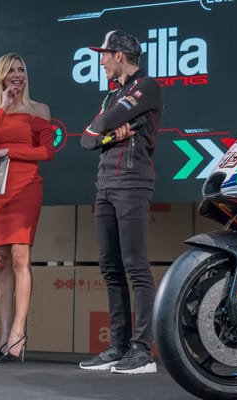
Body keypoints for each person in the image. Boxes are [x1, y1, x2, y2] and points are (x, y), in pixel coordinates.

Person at [79, 30, 163, 374]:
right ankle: (118, 347)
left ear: (119, 55)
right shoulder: (112, 95)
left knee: (135, 267)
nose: (100, 61)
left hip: (132, 183)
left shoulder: (147, 86)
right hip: (104, 186)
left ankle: (142, 351)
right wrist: (112, 134)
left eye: (104, 54)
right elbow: (87, 139)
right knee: (110, 268)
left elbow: (102, 124)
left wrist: (106, 130)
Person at [0, 53, 54, 363]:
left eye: (21, 69)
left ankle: (18, 334)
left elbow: (46, 152)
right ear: (1, 76)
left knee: (21, 255)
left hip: (26, 186)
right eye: (11, 71)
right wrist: (3, 108)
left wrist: (8, 150)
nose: (18, 74)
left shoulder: (39, 110)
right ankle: (4, 334)